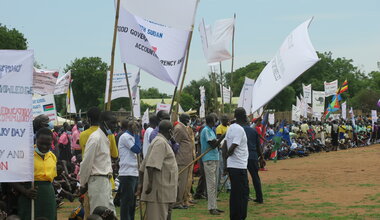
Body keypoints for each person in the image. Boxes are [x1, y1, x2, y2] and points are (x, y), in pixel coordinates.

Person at [79, 107, 119, 218]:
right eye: (112, 123)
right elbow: (86, 163)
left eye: (116, 123)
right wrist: (83, 183)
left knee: (111, 215)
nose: (115, 126)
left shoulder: (105, 137)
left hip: (106, 181)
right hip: (98, 182)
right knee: (100, 215)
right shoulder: (95, 138)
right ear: (103, 122)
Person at [137, 120, 178, 220]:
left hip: (163, 192)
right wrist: (149, 185)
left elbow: (142, 167)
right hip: (158, 192)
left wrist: (141, 184)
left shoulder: (160, 141)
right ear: (170, 131)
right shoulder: (160, 143)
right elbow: (150, 165)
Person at [13, 128, 57, 220]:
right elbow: (12, 178)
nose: (44, 147)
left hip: (48, 196)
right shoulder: (26, 154)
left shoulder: (52, 157)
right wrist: (25, 191)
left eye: (48, 144)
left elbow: (52, 178)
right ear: (35, 140)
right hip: (30, 194)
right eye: (41, 143)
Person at [224, 107, 249, 220]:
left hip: (233, 166)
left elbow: (224, 145)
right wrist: (228, 155)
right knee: (242, 195)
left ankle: (234, 217)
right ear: (244, 116)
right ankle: (239, 217)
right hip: (239, 167)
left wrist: (226, 161)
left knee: (235, 194)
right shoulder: (239, 129)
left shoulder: (230, 128)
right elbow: (232, 147)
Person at [201, 114, 225, 215]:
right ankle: (211, 208)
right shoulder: (206, 130)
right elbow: (214, 144)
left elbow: (216, 144)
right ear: (212, 121)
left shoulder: (211, 130)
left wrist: (219, 142)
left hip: (215, 158)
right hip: (209, 159)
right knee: (211, 184)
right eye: (216, 120)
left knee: (215, 184)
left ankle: (214, 206)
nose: (217, 122)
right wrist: (222, 137)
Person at [118, 120, 141, 220]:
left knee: (132, 201)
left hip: (134, 172)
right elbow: (136, 149)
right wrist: (137, 136)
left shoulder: (132, 137)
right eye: (136, 128)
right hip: (127, 173)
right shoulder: (125, 137)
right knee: (127, 201)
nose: (137, 129)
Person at [172, 114, 194, 209]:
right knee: (180, 182)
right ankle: (177, 202)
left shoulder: (183, 127)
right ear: (184, 119)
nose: (189, 120)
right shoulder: (178, 128)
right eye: (188, 119)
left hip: (186, 159)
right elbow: (175, 144)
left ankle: (182, 201)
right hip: (181, 159)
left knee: (184, 183)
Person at [242, 118, 264, 204]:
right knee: (255, 177)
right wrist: (262, 157)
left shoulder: (240, 130)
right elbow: (259, 146)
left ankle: (246, 196)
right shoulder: (254, 131)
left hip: (243, 156)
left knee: (244, 178)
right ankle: (259, 197)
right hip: (253, 156)